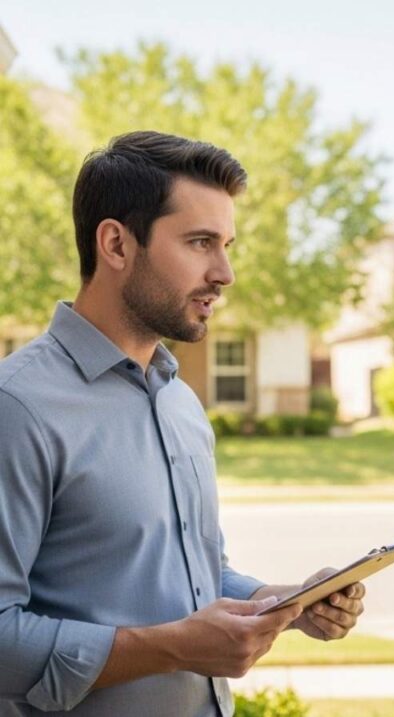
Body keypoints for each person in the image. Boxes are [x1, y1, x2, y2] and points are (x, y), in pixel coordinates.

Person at [0, 131, 365, 716]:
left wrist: (285, 603)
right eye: (200, 242)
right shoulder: (16, 407)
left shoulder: (180, 403)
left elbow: (199, 575)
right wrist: (171, 648)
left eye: (227, 244)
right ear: (116, 244)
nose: (225, 273)